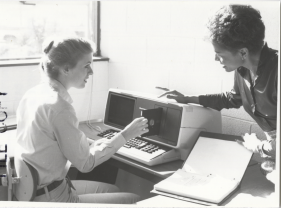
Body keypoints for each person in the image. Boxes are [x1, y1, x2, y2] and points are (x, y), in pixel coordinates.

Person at [15, 36, 149, 203]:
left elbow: (54, 139)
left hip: (37, 191)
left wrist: (95, 143)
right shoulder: (60, 107)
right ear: (66, 69)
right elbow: (86, 164)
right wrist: (126, 135)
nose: (91, 72)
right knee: (134, 199)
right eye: (87, 66)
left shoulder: (33, 93)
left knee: (112, 190)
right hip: (54, 199)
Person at [158, 4, 278, 181]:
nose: (216, 59)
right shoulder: (242, 69)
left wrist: (259, 146)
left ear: (243, 52)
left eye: (219, 53)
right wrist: (188, 98)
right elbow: (232, 98)